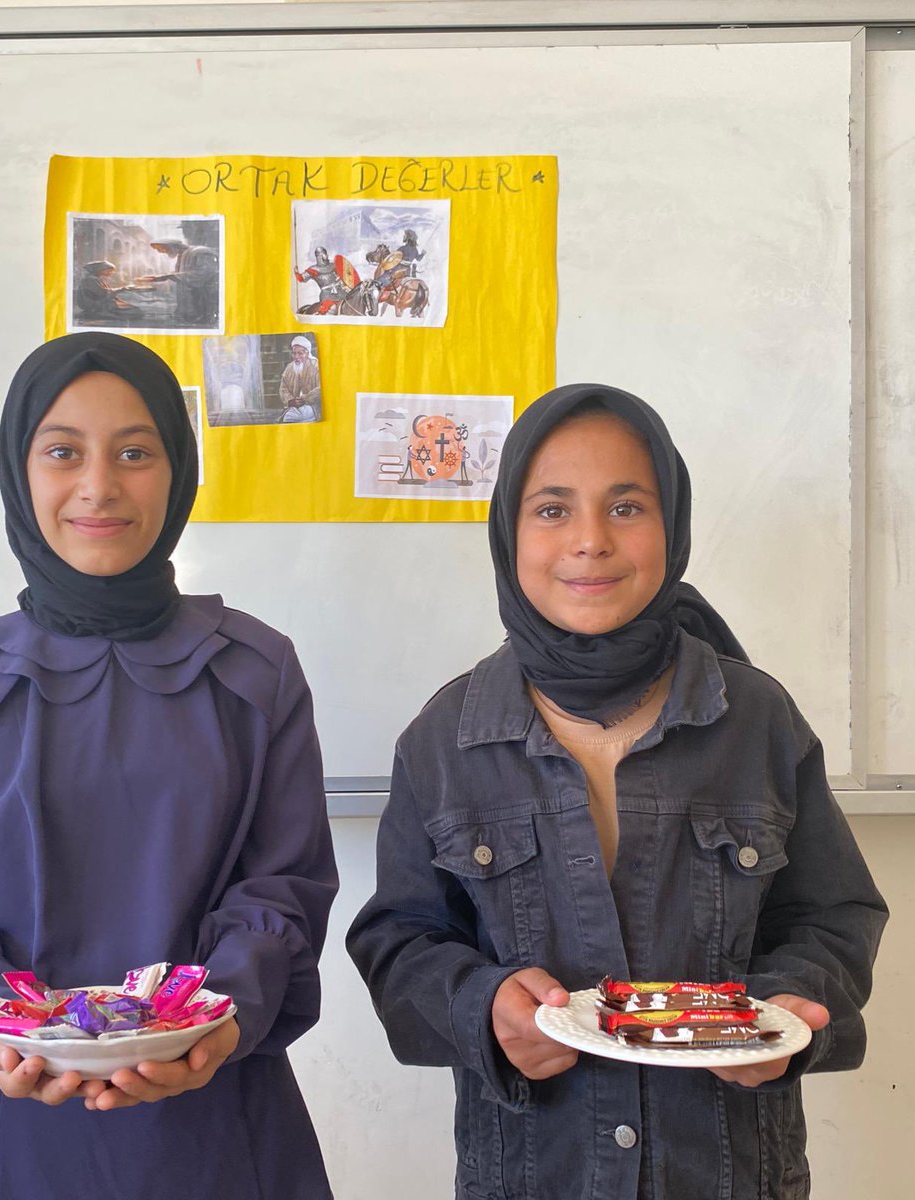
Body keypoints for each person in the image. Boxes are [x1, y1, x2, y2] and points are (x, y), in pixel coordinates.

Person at [347, 384, 886, 1200]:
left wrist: (785, 1011)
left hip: (731, 1175)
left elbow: (833, 917)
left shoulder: (757, 719)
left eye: (626, 506)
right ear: (508, 531)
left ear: (674, 526)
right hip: (533, 1177)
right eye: (553, 509)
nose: (591, 541)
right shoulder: (445, 737)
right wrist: (484, 1008)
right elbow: (400, 944)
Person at [0, 332, 338, 1199]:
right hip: (8, 1132)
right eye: (62, 452)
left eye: (135, 451)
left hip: (217, 1121)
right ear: (20, 473)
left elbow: (284, 890)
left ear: (178, 469)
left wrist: (210, 1020)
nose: (99, 485)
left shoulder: (255, 673)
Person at [278, 336, 320, 422]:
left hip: (314, 407)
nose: (296, 356)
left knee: (303, 416)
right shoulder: (289, 368)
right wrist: (290, 401)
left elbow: (322, 387)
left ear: (307, 354)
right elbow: (283, 389)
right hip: (294, 407)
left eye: (300, 353)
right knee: (288, 417)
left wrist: (306, 398)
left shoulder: (316, 366)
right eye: (294, 353)